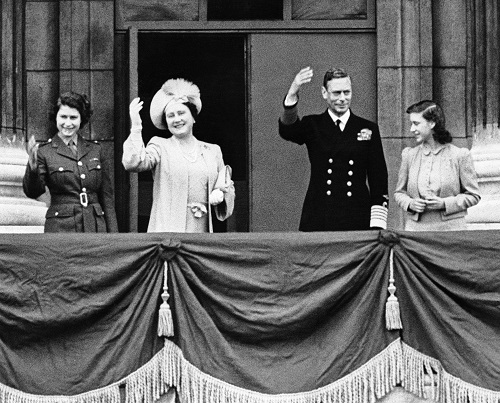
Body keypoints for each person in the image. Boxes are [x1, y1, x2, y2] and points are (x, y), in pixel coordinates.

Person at [278, 67, 389, 231]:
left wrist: (377, 225)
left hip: (357, 216)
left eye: (347, 92)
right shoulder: (313, 124)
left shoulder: (367, 128)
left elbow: (378, 177)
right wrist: (292, 93)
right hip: (320, 215)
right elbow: (288, 131)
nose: (343, 98)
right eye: (337, 93)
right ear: (325, 93)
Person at [122, 78, 235, 233]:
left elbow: (226, 183)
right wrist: (136, 127)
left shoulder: (212, 151)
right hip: (168, 232)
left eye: (181, 113)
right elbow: (133, 163)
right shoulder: (160, 146)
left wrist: (221, 192)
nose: (177, 119)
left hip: (203, 232)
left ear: (193, 117)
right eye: (171, 115)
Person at [23, 92, 118, 233]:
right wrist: (33, 167)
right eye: (63, 117)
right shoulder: (44, 152)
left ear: (82, 119)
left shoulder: (96, 150)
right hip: (61, 229)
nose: (68, 123)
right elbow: (33, 191)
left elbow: (107, 199)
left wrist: (113, 237)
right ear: (55, 117)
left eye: (73, 117)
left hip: (95, 228)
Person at [394, 100, 481, 231]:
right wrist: (410, 203)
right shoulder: (409, 155)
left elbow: (473, 195)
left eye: (416, 124)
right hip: (416, 232)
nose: (412, 129)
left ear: (432, 123)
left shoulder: (459, 155)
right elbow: (399, 193)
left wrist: (445, 203)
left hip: (451, 232)